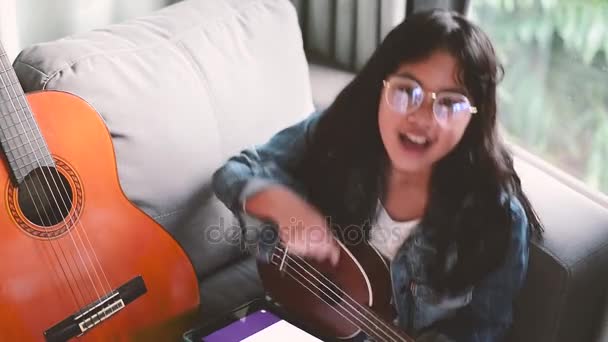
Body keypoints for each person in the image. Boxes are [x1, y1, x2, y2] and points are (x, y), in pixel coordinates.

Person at [212, 8, 543, 342]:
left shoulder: (498, 220)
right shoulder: (338, 132)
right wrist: (279, 203)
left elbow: (483, 331)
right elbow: (236, 171)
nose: (423, 118)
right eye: (406, 91)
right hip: (290, 321)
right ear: (380, 88)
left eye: (450, 103)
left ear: (475, 116)